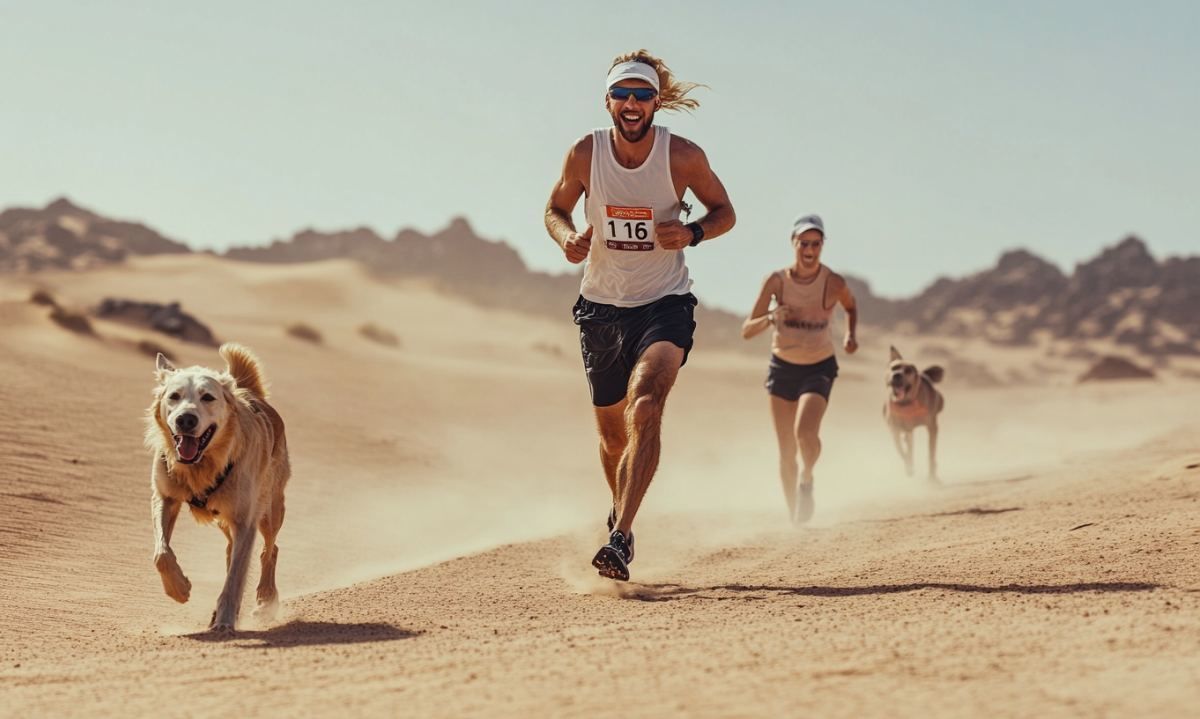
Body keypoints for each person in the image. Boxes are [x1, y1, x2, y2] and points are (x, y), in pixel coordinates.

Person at [544, 50, 736, 581]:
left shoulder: (683, 157)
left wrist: (692, 233)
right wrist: (568, 237)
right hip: (601, 309)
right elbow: (554, 208)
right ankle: (620, 511)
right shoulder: (586, 153)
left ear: (656, 102)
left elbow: (726, 211)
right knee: (612, 436)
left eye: (642, 95)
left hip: (664, 304)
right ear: (608, 100)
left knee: (646, 404)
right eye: (622, 94)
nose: (632, 104)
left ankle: (621, 536)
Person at [742, 214, 857, 524]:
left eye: (816, 243)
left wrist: (849, 334)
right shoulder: (776, 281)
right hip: (782, 368)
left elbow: (850, 305)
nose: (810, 249)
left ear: (822, 246)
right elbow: (747, 330)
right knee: (785, 450)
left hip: (818, 366)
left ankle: (807, 477)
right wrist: (771, 317)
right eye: (804, 243)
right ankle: (794, 517)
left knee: (805, 434)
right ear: (793, 244)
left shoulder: (833, 282)